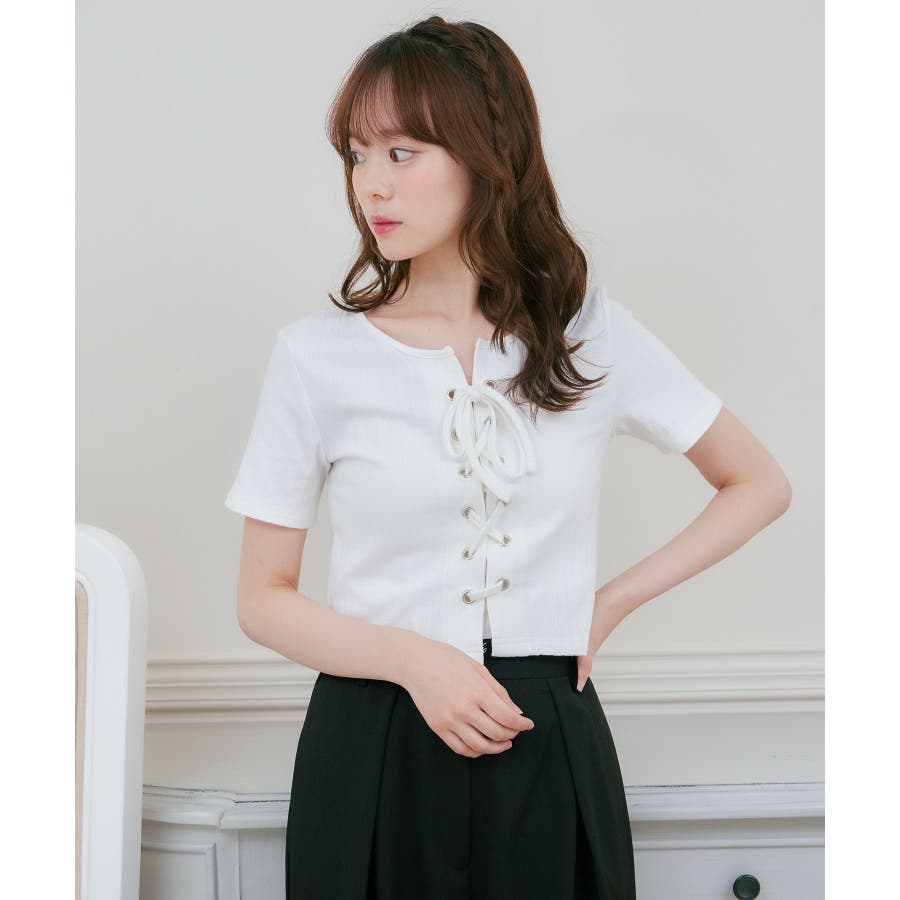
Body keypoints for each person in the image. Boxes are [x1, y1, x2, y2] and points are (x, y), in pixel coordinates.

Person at [224, 15, 792, 900]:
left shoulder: (587, 333)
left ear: (485, 156)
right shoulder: (315, 357)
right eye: (357, 155)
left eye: (402, 151)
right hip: (374, 736)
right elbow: (262, 598)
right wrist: (412, 661)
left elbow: (757, 482)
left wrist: (606, 606)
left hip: (547, 732)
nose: (372, 184)